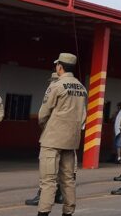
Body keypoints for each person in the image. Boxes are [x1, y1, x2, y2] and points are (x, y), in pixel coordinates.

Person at [36, 53, 87, 216]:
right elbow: (83, 116)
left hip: (52, 139)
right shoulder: (81, 87)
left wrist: (46, 127)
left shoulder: (56, 86)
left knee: (48, 180)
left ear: (60, 67)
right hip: (71, 141)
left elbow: (43, 114)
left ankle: (43, 212)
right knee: (68, 179)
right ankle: (68, 212)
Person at [25, 73, 63, 207]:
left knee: (47, 168)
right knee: (62, 168)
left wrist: (45, 128)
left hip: (52, 134)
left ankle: (42, 196)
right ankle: (59, 194)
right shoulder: (74, 90)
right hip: (67, 136)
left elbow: (42, 115)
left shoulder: (53, 87)